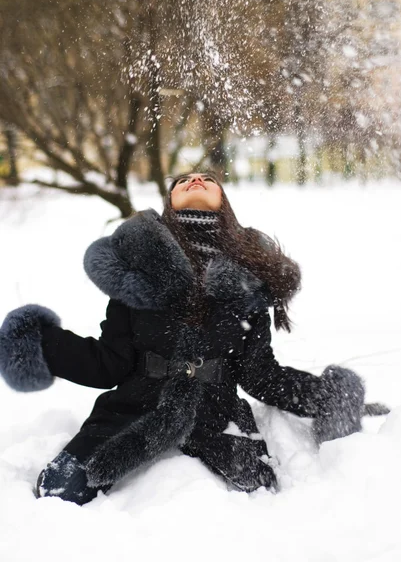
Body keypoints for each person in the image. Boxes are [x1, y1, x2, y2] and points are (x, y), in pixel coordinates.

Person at [0, 171, 385, 505]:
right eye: (182, 181)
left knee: (249, 508)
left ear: (225, 202)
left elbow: (259, 375)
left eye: (207, 179)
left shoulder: (247, 280)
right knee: (56, 491)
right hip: (133, 408)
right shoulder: (137, 273)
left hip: (216, 413)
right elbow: (108, 363)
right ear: (169, 202)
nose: (195, 180)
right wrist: (38, 343)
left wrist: (328, 396)